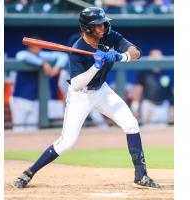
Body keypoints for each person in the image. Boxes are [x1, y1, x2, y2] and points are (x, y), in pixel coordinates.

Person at [12, 7, 160, 189]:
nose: (103, 27)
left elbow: (136, 51)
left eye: (103, 24)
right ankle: (29, 172)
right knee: (67, 142)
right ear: (88, 28)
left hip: (102, 90)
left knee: (131, 124)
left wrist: (122, 56)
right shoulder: (77, 50)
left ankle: (141, 176)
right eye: (98, 25)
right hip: (80, 96)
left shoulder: (109, 35)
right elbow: (76, 84)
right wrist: (96, 66)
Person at [10, 37, 69, 132]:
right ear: (30, 46)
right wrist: (43, 64)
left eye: (39, 45)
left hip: (35, 100)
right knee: (18, 130)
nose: (39, 48)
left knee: (32, 131)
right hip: (19, 99)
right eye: (36, 46)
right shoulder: (25, 55)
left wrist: (56, 68)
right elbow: (21, 56)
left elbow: (63, 56)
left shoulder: (42, 55)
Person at [131, 49, 174, 125]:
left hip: (164, 105)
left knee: (164, 131)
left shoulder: (166, 72)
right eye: (155, 56)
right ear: (150, 58)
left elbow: (170, 92)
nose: (157, 58)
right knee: (148, 130)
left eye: (159, 56)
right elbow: (138, 90)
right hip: (149, 105)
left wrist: (172, 108)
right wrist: (135, 108)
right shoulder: (144, 72)